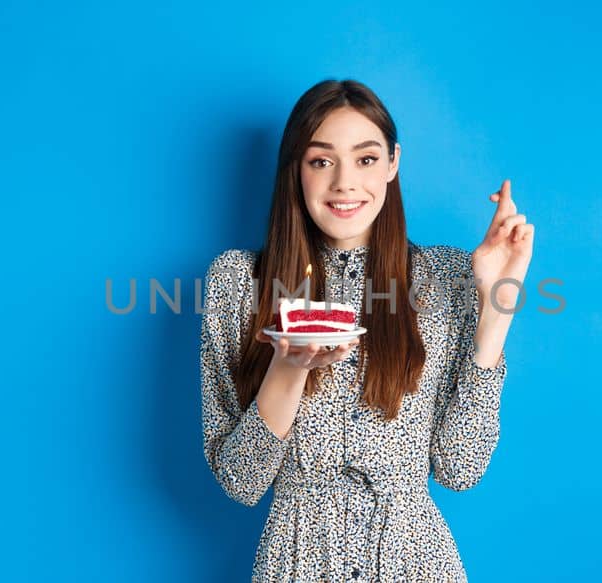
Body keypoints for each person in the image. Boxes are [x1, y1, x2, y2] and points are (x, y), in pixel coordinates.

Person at [198, 79, 534, 582]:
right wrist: (288, 369)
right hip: (296, 562)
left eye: (366, 159)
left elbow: (460, 469)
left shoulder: (446, 279)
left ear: (393, 163)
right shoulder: (238, 283)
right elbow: (243, 482)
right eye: (321, 161)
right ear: (295, 170)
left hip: (415, 562)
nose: (345, 183)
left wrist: (496, 307)